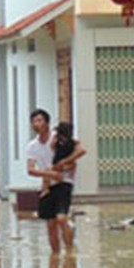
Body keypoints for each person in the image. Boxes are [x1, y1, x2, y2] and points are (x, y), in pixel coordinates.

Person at [26, 109, 86, 254]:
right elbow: (30, 169)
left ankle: (70, 252)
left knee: (61, 218)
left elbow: (80, 149)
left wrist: (65, 163)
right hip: (48, 184)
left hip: (64, 181)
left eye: (40, 120)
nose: (37, 124)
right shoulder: (32, 146)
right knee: (51, 224)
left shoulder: (59, 138)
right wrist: (50, 173)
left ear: (47, 122)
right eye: (34, 121)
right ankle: (55, 256)